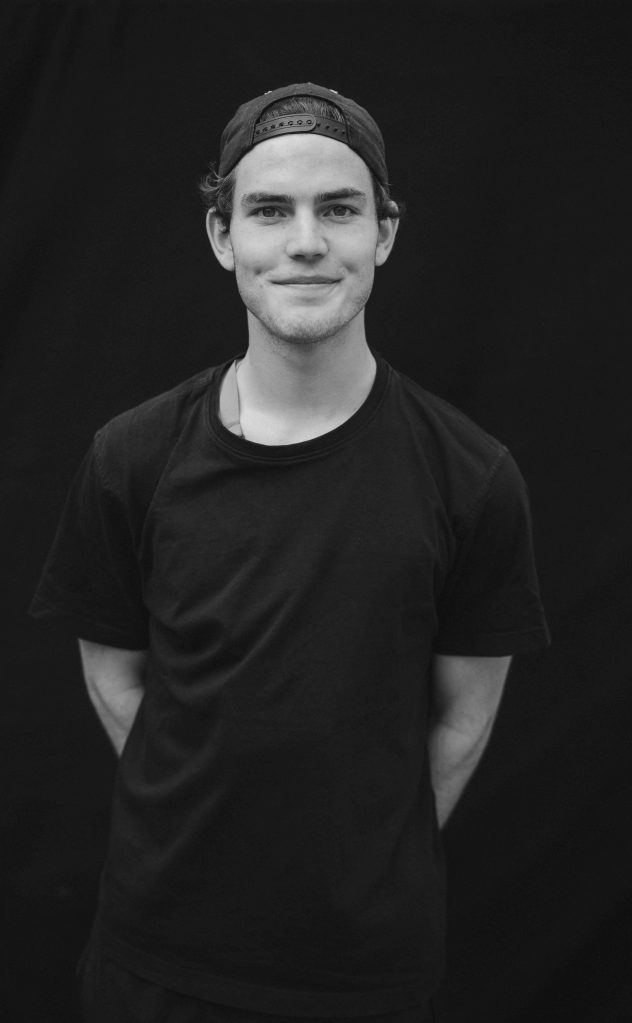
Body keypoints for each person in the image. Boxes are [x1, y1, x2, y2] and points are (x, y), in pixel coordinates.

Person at [30, 82, 551, 1023]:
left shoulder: (472, 477)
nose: (305, 241)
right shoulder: (133, 457)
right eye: (270, 210)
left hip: (365, 973)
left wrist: (360, 859)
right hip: (157, 961)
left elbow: (464, 720)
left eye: (339, 209)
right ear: (223, 236)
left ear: (384, 233)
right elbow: (116, 681)